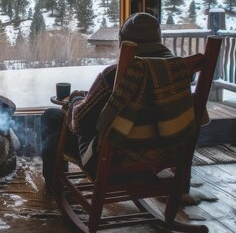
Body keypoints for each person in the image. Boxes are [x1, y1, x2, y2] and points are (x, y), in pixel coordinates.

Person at [41, 12, 174, 185]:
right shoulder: (178, 73)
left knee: (52, 117)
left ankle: (54, 185)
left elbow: (80, 123)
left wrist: (74, 103)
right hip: (160, 160)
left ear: (122, 42)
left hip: (112, 164)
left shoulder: (115, 75)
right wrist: (90, 97)